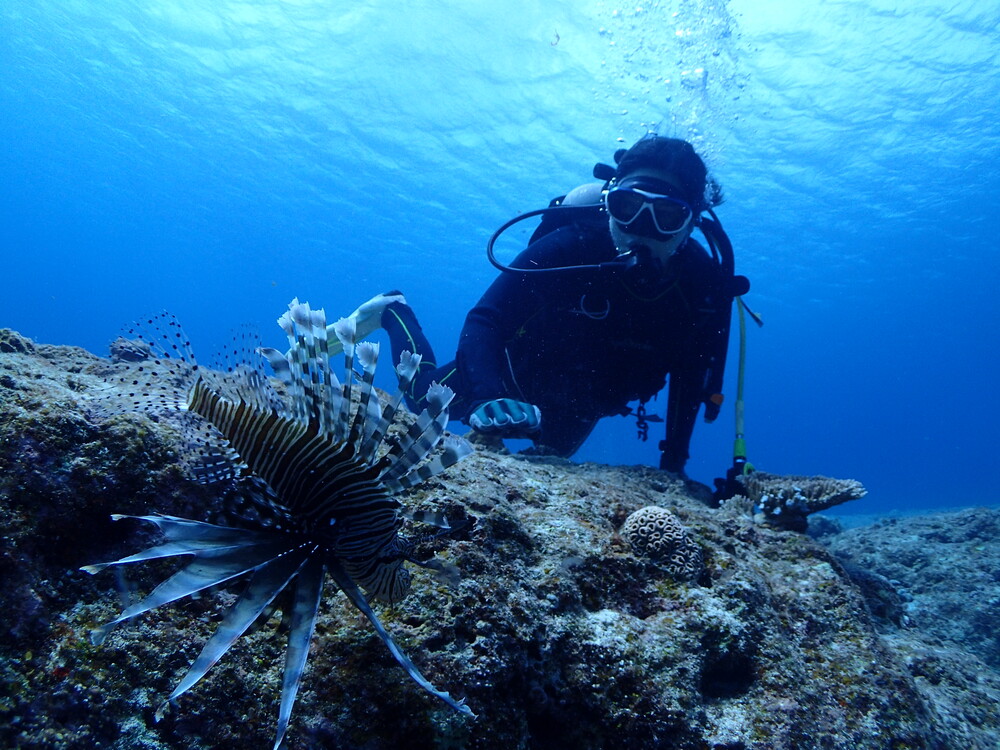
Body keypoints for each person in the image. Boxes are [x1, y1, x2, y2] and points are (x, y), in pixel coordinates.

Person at [352, 134, 749, 477]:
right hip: (510, 372)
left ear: (691, 222)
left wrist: (673, 465)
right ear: (609, 203)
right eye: (627, 209)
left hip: (585, 404)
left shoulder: (700, 286)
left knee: (549, 467)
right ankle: (393, 311)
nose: (641, 232)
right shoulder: (572, 246)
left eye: (667, 216)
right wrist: (487, 395)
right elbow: (487, 318)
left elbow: (690, 378)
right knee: (424, 403)